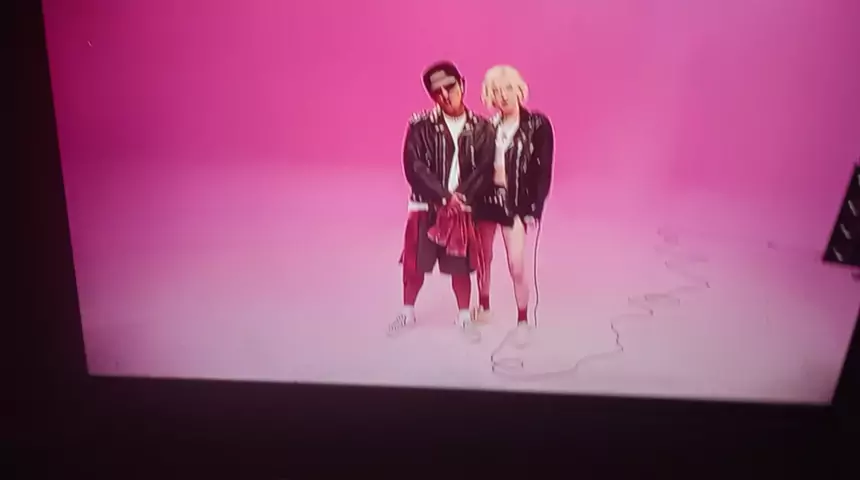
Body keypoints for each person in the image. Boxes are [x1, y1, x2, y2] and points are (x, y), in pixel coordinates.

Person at [388, 61, 495, 342]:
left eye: (450, 87)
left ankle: (464, 317)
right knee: (414, 264)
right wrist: (444, 196)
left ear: (462, 84)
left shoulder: (482, 128)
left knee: (461, 266)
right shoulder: (420, 125)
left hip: (462, 209)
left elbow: (485, 169)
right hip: (426, 206)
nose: (446, 95)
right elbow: (414, 167)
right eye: (437, 92)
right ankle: (407, 313)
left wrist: (462, 197)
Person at [472, 65, 554, 346]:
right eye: (497, 91)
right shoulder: (487, 127)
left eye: (508, 88)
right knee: (483, 257)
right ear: (490, 97)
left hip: (516, 201)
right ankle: (484, 307)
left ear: (519, 90)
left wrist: (535, 208)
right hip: (485, 198)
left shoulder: (537, 125)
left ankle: (522, 321)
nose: (503, 96)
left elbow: (544, 170)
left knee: (516, 264)